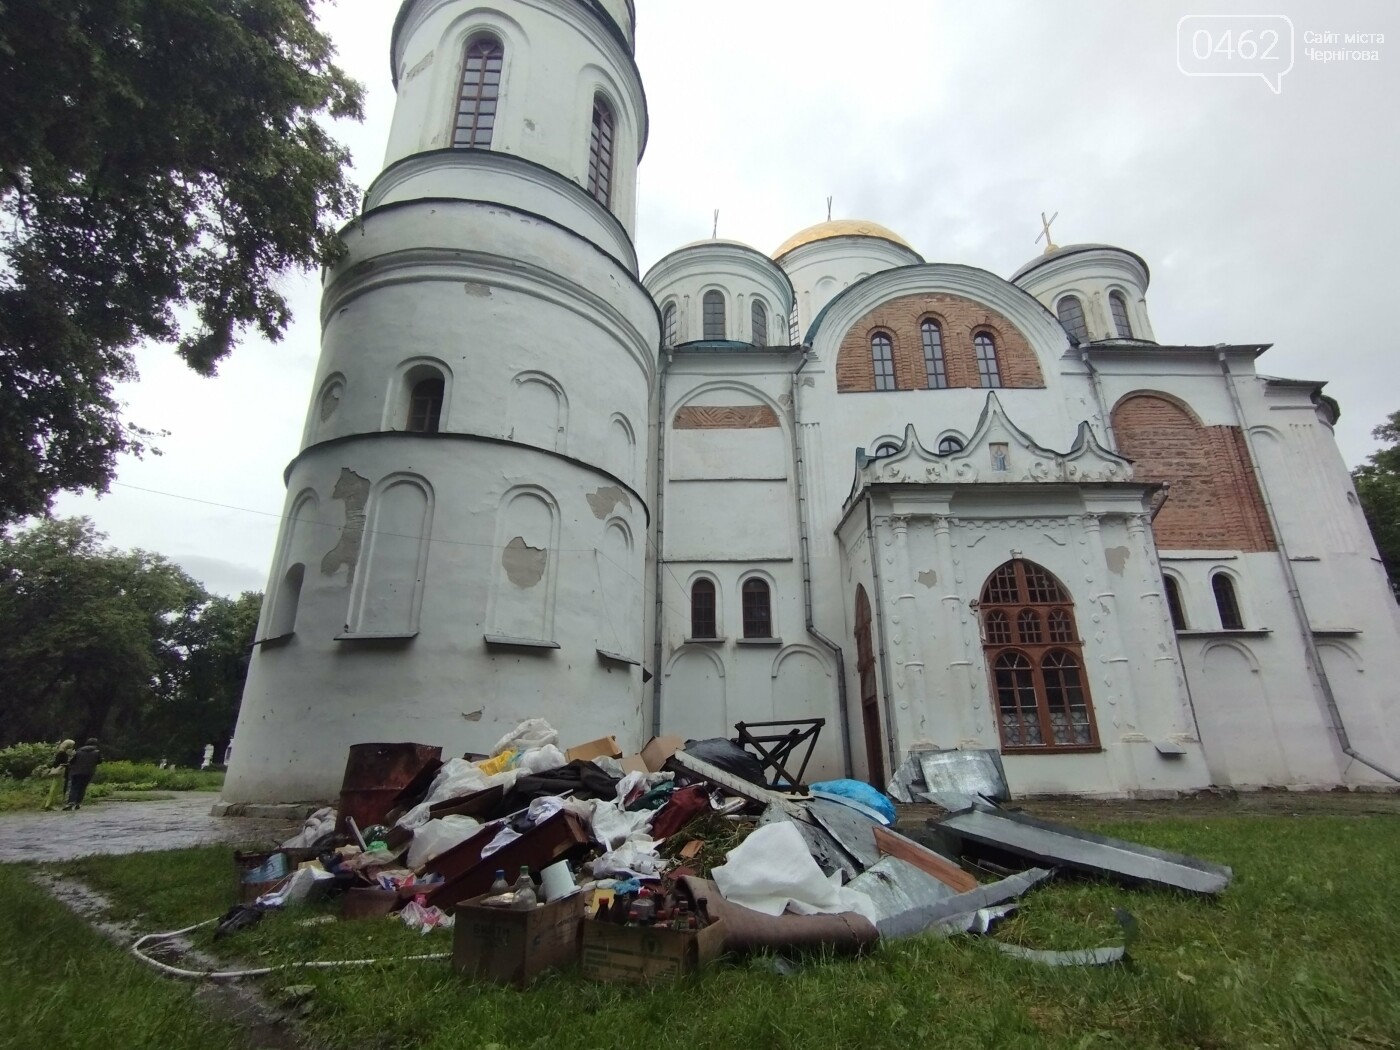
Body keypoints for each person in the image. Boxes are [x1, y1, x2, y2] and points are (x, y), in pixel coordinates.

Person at [62, 738, 102, 810]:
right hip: (88, 772)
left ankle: (71, 802)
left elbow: (72, 761)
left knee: (74, 787)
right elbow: (99, 761)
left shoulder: (79, 751)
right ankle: (78, 803)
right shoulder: (97, 752)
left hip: (76, 772)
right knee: (82, 787)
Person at [44, 739, 76, 811]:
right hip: (60, 771)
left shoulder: (61, 752)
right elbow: (57, 763)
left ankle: (49, 804)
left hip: (60, 771)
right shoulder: (62, 753)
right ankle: (49, 804)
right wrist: (66, 764)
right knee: (55, 788)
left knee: (55, 788)